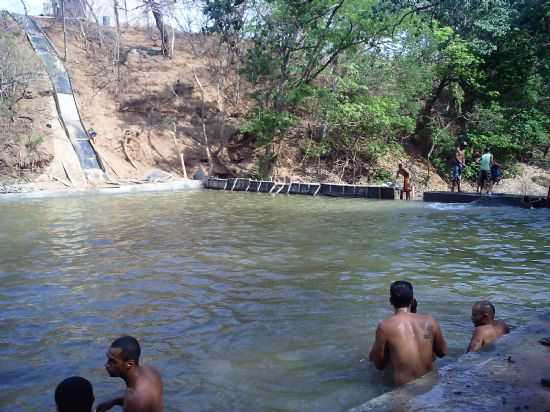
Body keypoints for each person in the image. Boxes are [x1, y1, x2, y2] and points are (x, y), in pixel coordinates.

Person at [369, 281, 448, 385]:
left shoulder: (385, 327)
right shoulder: (430, 322)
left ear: (391, 301)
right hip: (431, 384)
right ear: (413, 300)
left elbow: (379, 365)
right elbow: (442, 352)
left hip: (404, 392)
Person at [96, 336, 164, 412]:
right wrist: (113, 402)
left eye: (113, 361)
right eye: (108, 359)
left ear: (129, 364)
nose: (106, 365)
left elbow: (137, 401)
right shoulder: (150, 371)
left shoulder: (136, 403)